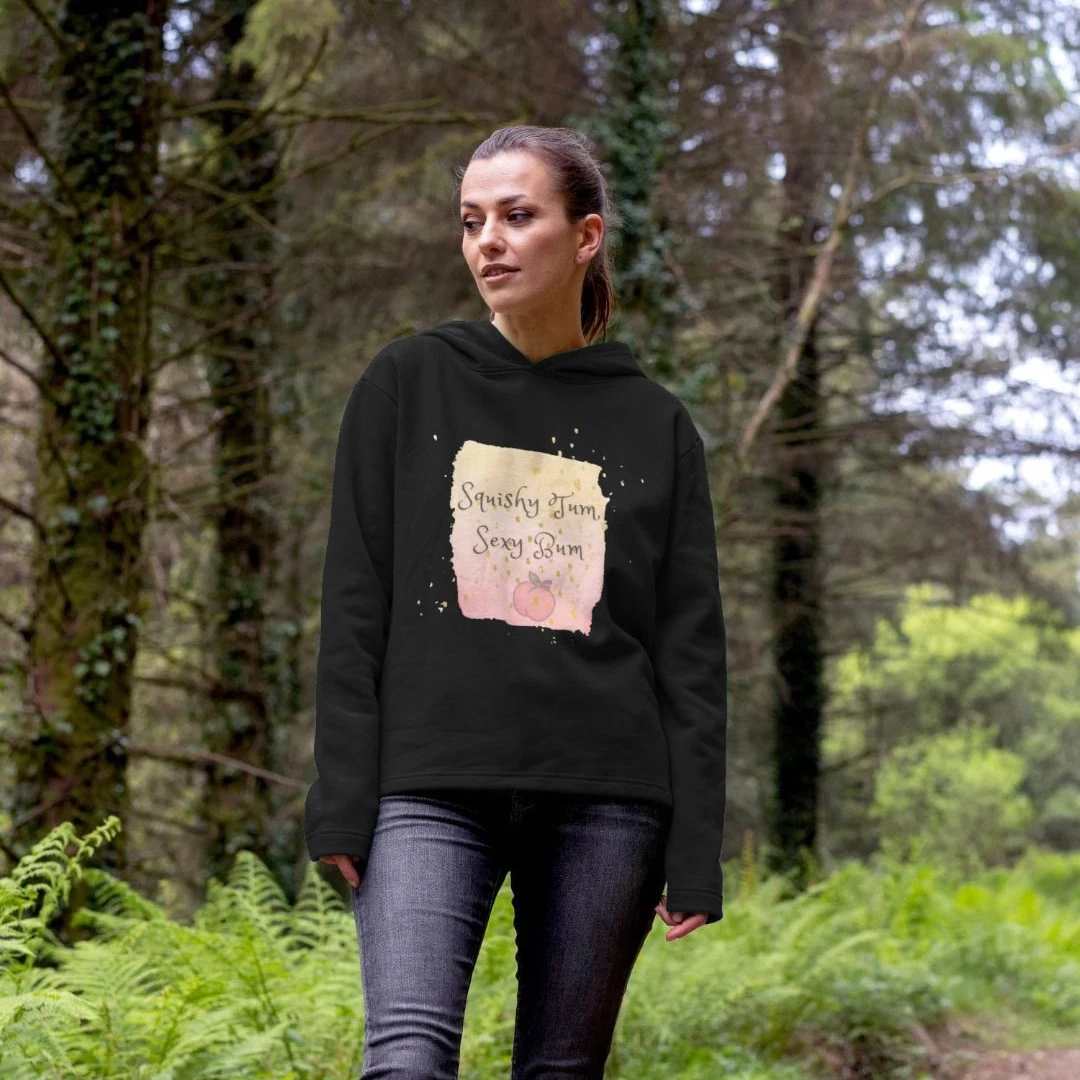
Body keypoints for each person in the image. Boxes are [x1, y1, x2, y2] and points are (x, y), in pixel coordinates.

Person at [304, 124, 728, 1080]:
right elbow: (355, 599)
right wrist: (341, 795)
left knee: (560, 1072)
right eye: (471, 221)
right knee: (406, 1062)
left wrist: (697, 844)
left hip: (607, 796)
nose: (487, 240)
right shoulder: (407, 384)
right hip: (428, 784)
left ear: (585, 236)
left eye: (516, 215)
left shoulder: (656, 424)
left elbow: (691, 654)